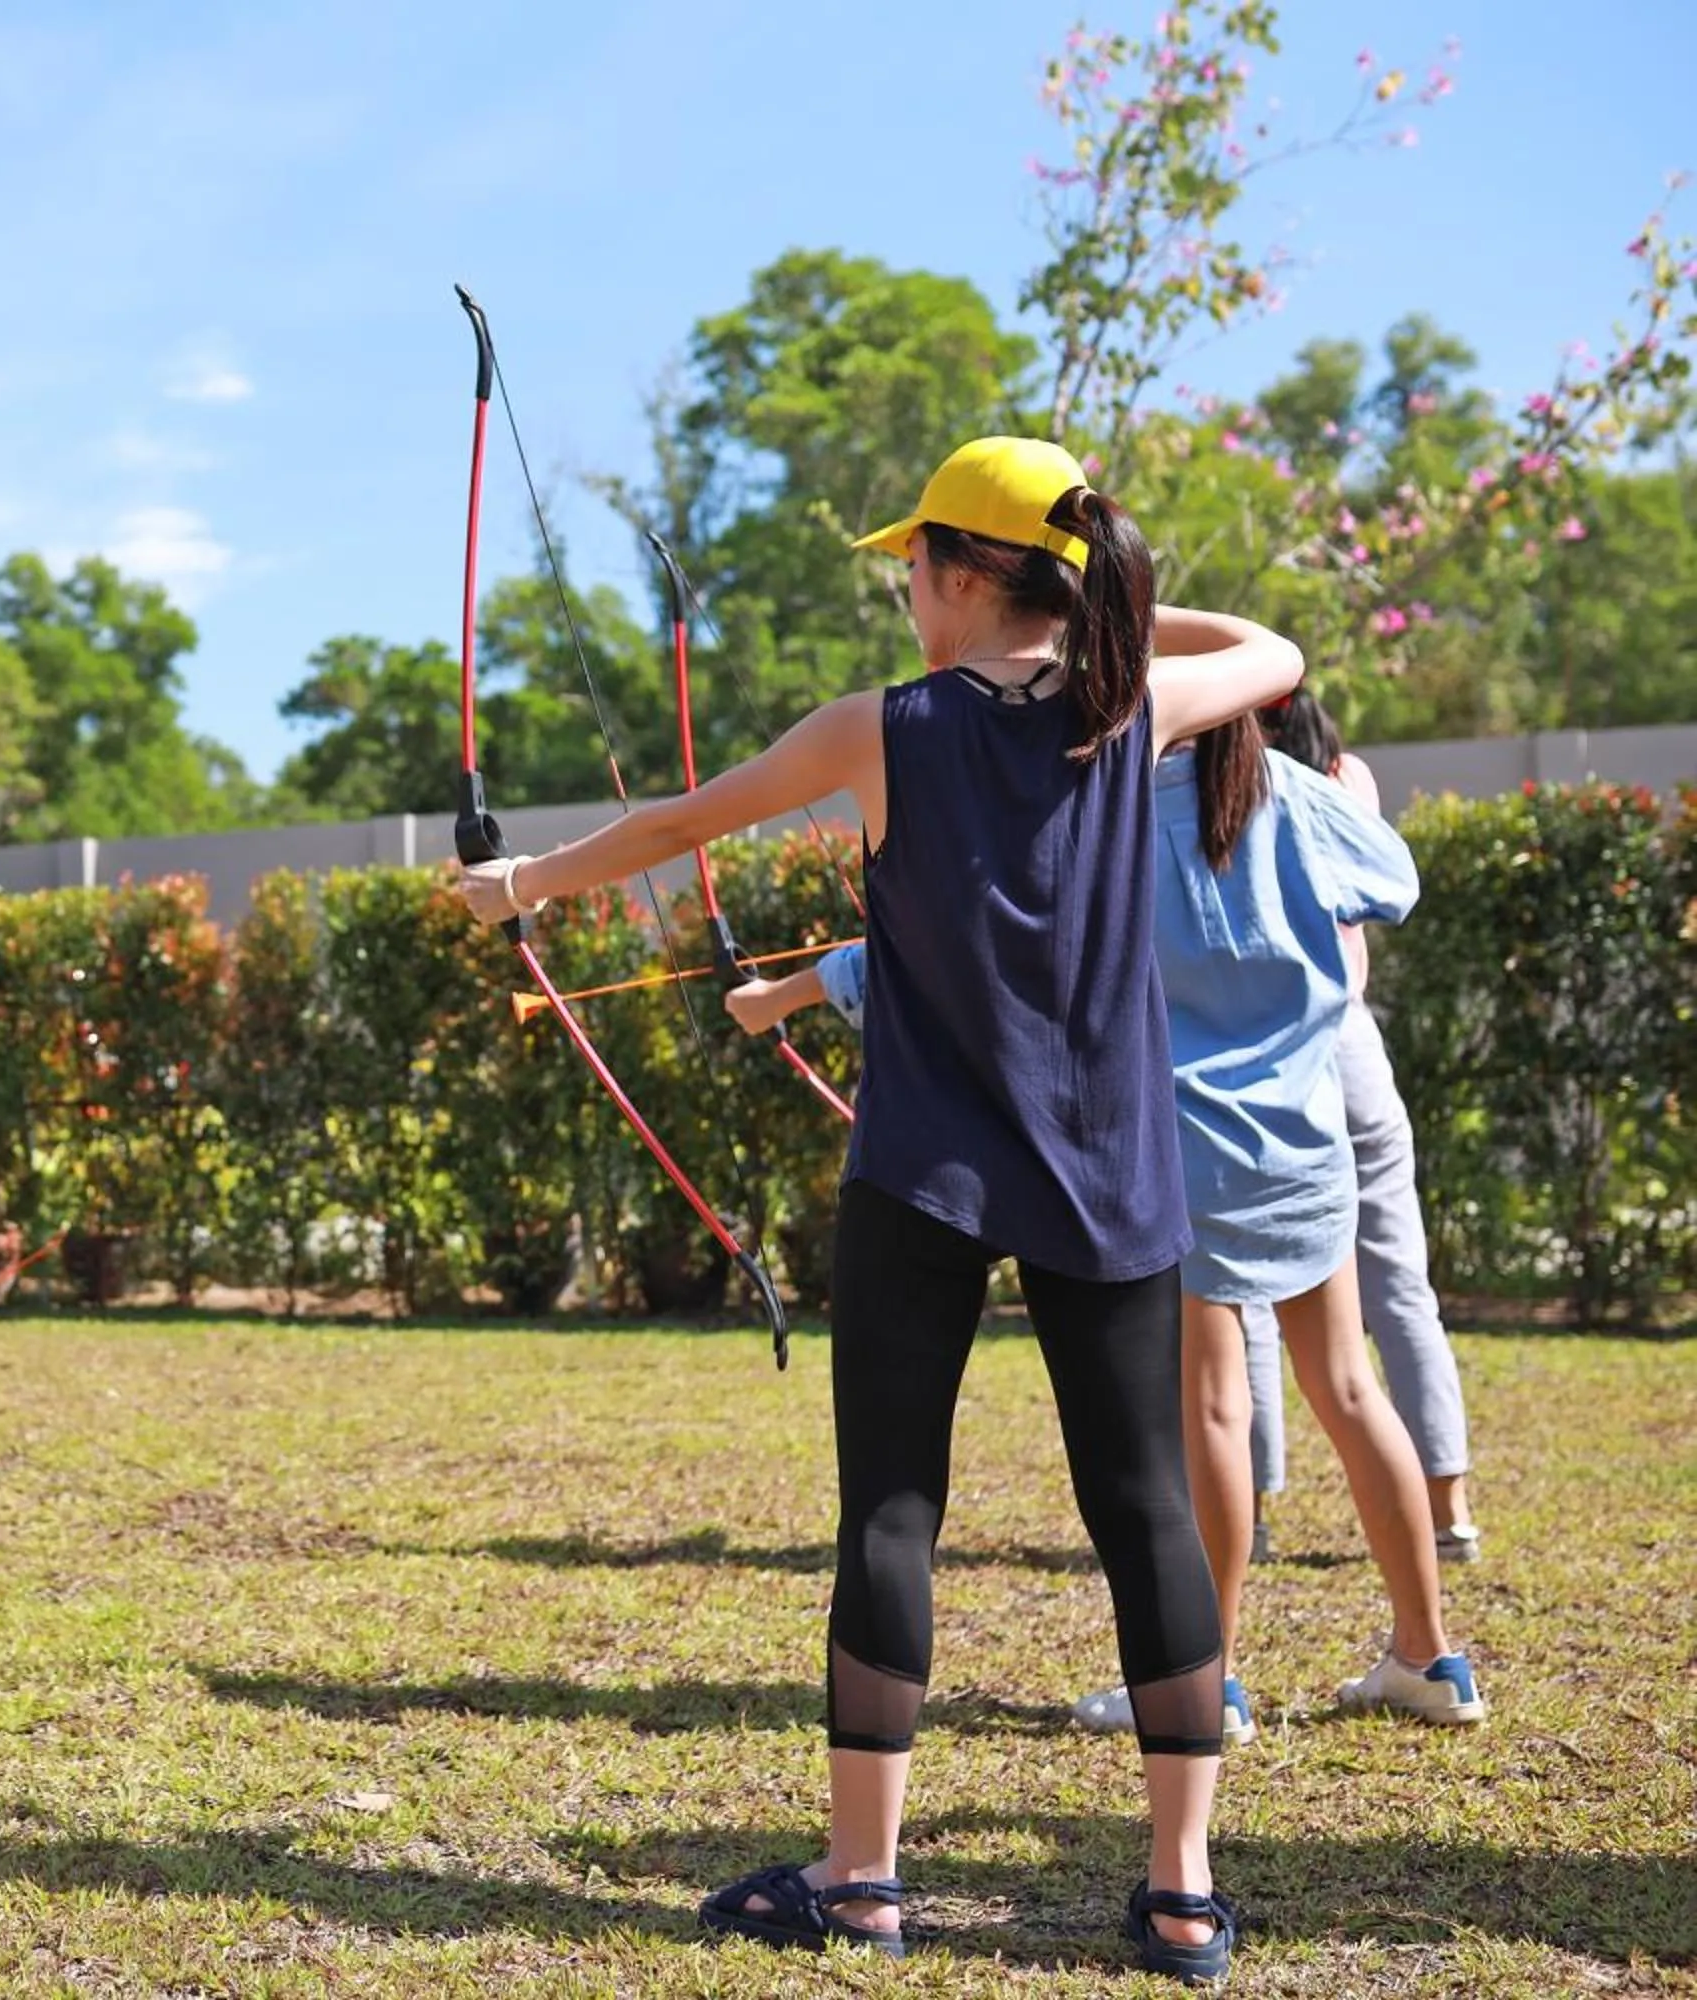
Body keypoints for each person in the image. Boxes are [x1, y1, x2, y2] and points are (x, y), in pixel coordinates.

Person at [460, 437, 1287, 1984]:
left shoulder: (881, 731)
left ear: (968, 576)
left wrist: (523, 889)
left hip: (926, 1176)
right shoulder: (1137, 709)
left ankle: (864, 1881)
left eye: (918, 566)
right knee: (1148, 1510)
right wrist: (1105, 622)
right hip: (1110, 1170)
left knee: (893, 1507)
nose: (907, 591)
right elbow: (1277, 651)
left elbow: (671, 828)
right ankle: (1182, 1897)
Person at [1062, 708, 1485, 1744]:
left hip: (1183, 1151)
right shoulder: (1293, 792)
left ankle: (1205, 1681)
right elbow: (1395, 881)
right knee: (1347, 1385)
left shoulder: (1107, 810)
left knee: (1209, 1411)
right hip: (1306, 1136)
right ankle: (1429, 1655)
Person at [1242, 690, 1480, 1567]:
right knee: (1401, 1288)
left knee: (1248, 1299)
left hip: (1271, 1049)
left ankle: (1251, 1513)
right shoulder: (1350, 779)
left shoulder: (1233, 791)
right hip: (1355, 1045)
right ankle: (1448, 1507)